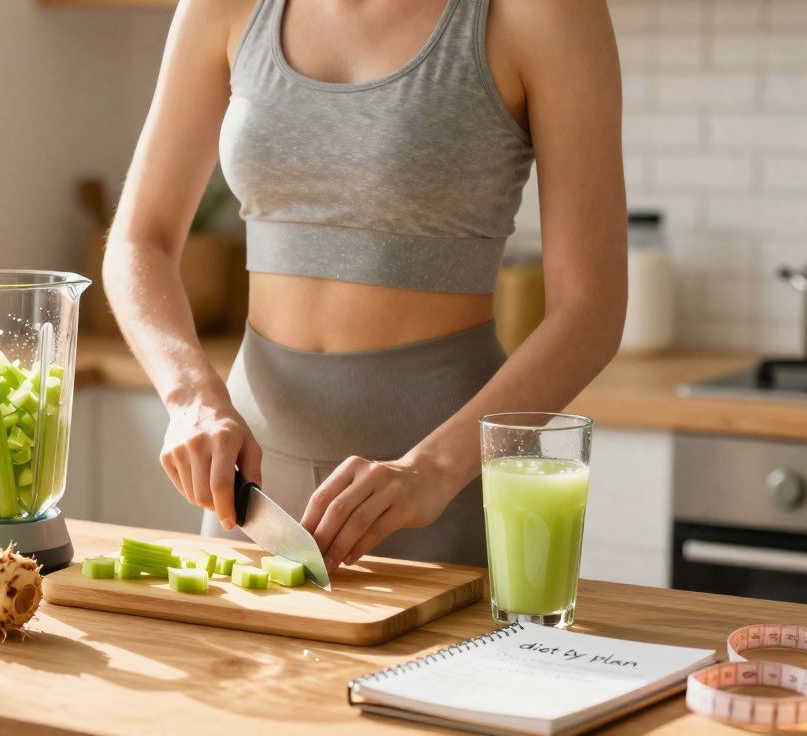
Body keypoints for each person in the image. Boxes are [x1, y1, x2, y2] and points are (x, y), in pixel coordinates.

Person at [102, 0, 626, 570]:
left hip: (442, 488)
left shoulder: (542, 12)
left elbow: (590, 310)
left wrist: (433, 470)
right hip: (251, 491)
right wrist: (190, 398)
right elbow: (139, 241)